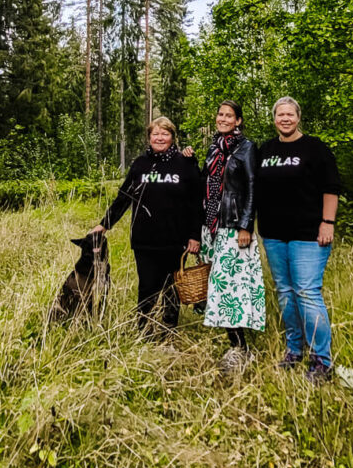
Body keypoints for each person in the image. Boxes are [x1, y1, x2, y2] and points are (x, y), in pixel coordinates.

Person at [91, 116, 202, 338]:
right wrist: (105, 224)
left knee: (172, 287)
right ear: (149, 137)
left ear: (173, 137)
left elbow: (196, 202)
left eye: (165, 134)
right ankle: (144, 328)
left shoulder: (185, 164)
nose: (160, 138)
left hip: (175, 239)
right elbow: (123, 197)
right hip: (145, 239)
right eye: (155, 134)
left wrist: (194, 235)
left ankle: (169, 330)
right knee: (147, 286)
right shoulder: (140, 164)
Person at [256, 97, 341, 382]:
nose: (285, 119)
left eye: (290, 114)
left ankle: (321, 360)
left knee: (307, 291)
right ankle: (294, 350)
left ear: (298, 117)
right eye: (280, 114)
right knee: (285, 292)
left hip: (308, 235)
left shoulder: (315, 149)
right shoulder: (265, 150)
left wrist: (327, 222)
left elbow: (331, 188)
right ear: (274, 118)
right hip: (274, 234)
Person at [186, 100, 265, 373]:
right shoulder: (213, 148)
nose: (223, 118)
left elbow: (253, 187)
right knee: (216, 287)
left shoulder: (247, 149)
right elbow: (204, 183)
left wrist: (246, 225)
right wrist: (190, 161)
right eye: (220, 114)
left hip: (233, 228)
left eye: (229, 115)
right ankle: (235, 343)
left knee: (230, 288)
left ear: (238, 121)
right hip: (212, 227)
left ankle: (241, 348)